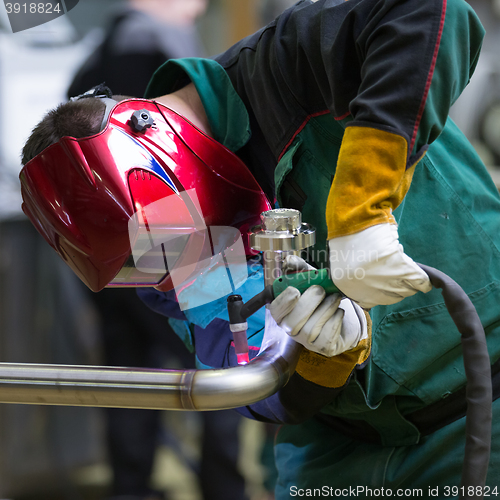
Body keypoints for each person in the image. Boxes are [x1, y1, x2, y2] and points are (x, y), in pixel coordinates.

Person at [19, 0, 500, 497]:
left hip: (480, 403)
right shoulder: (164, 237)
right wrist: (324, 357)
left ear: (166, 164)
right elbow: (250, 375)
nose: (169, 278)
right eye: (136, 270)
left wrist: (362, 211)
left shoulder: (287, 63)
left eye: (160, 252)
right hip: (338, 449)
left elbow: (433, 13)